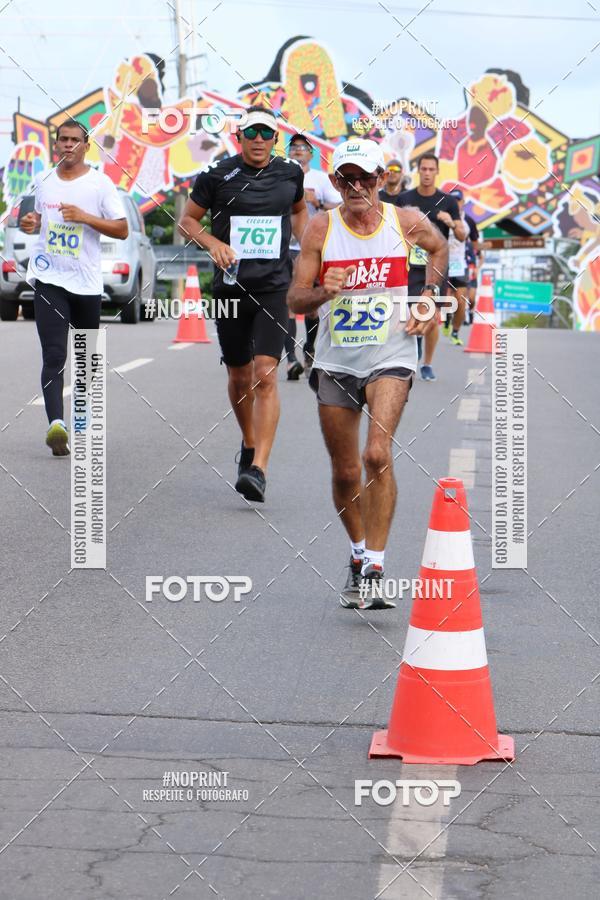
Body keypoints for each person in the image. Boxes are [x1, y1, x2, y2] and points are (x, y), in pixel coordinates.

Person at [288, 139, 447, 609]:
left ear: (381, 179)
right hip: (336, 362)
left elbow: (438, 250)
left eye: (366, 177)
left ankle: (376, 565)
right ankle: (357, 553)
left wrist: (429, 299)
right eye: (346, 178)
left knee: (377, 454)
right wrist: (322, 292)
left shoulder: (405, 222)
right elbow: (294, 300)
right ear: (335, 182)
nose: (356, 186)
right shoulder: (321, 227)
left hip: (391, 354)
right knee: (345, 470)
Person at [179, 106, 308, 503]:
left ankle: (259, 469)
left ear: (275, 139)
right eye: (250, 131)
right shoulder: (217, 175)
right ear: (239, 135)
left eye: (265, 133)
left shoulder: (291, 173)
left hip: (274, 288)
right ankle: (249, 444)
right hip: (231, 288)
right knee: (238, 377)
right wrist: (215, 244)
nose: (257, 138)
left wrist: (308, 250)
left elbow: (300, 210)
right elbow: (187, 221)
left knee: (265, 373)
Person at [21, 120, 128, 456]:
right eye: (62, 140)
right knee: (54, 354)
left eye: (74, 140)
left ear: (86, 145)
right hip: (49, 278)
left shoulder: (100, 184)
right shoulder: (43, 181)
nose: (68, 145)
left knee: (86, 359)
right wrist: (30, 224)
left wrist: (85, 217)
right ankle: (57, 425)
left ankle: (81, 423)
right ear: (56, 144)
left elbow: (122, 229)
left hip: (86, 282)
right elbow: (34, 221)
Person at [397, 153, 467, 380]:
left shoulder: (447, 201)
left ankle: (426, 363)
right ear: (419, 171)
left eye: (431, 169)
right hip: (410, 263)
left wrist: (449, 222)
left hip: (436, 263)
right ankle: (409, 352)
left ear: (437, 172)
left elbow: (462, 234)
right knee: (405, 310)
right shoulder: (404, 198)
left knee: (432, 313)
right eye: (423, 169)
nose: (427, 173)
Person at [284, 133, 341, 379]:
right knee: (286, 304)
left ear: (311, 154)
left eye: (303, 147)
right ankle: (290, 358)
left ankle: (309, 347)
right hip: (284, 247)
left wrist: (317, 202)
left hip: (313, 248)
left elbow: (339, 207)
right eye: (293, 147)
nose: (298, 150)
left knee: (311, 307)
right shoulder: (280, 174)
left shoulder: (320, 178)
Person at [443, 188, 480, 343]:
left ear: (463, 202)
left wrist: (474, 262)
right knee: (445, 300)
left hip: (460, 265)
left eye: (458, 201)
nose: (456, 204)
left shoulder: (468, 221)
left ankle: (455, 333)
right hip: (443, 263)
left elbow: (476, 243)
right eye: (453, 200)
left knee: (461, 301)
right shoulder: (442, 218)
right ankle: (447, 318)